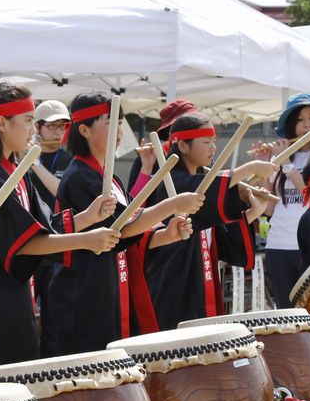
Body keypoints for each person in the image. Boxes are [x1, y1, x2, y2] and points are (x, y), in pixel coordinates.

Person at [0, 82, 123, 378]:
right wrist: (87, 239)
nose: (33, 129)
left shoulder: (13, 170)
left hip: (11, 299)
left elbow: (43, 226)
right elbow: (25, 242)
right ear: (2, 123)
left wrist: (88, 217)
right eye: (28, 120)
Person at [44, 91, 200, 353]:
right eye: (110, 122)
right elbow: (121, 228)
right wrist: (171, 206)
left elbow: (131, 230)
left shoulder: (108, 177)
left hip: (112, 283)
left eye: (120, 123)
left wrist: (166, 235)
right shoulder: (80, 176)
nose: (119, 131)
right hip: (86, 290)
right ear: (84, 129)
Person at [141, 105, 276, 329]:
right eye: (206, 142)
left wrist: (254, 212)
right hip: (175, 278)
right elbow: (202, 189)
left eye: (214, 142)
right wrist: (250, 167)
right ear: (183, 145)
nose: (213, 148)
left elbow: (217, 232)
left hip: (201, 274)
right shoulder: (169, 180)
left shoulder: (201, 180)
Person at [253, 92, 310, 310]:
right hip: (279, 243)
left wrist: (287, 165)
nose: (307, 125)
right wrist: (264, 167)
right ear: (292, 127)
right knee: (286, 311)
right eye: (300, 120)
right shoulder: (281, 156)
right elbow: (270, 208)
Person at [26, 100, 73, 353]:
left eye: (62, 127)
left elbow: (60, 191)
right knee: (26, 314)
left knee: (53, 317)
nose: (58, 132)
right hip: (30, 242)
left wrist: (34, 163)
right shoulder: (22, 154)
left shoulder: (69, 158)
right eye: (52, 126)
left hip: (57, 243)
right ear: (38, 127)